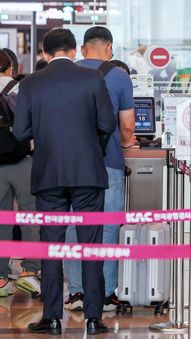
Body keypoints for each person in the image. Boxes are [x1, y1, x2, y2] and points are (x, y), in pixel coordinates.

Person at [13, 27, 115, 335]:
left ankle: (52, 317)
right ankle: (95, 318)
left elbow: (20, 132)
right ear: (74, 51)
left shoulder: (31, 83)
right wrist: (89, 149)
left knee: (52, 248)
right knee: (90, 246)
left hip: (49, 175)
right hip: (88, 174)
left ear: (45, 53)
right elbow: (106, 123)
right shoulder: (92, 79)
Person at [63, 26, 135, 313]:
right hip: (108, 163)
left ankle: (77, 292)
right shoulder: (119, 76)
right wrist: (126, 142)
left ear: (82, 49)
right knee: (107, 226)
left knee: (71, 225)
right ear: (110, 48)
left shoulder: (66, 74)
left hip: (70, 164)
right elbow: (127, 128)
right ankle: (104, 294)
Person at [0, 50, 41, 299]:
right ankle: (30, 271)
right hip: (23, 159)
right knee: (30, 216)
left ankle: (1, 277)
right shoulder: (21, 87)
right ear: (11, 68)